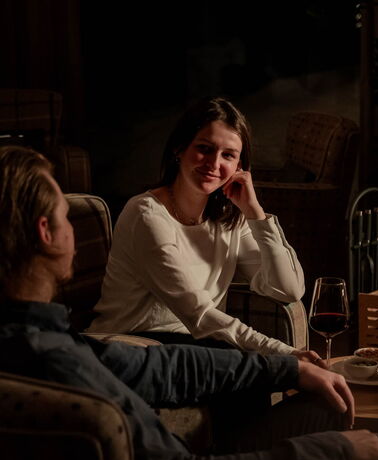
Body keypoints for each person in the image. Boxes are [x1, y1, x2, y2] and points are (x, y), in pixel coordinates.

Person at [0, 145, 378, 460]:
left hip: (184, 439)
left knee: (322, 402)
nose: (215, 162)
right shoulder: (53, 360)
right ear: (45, 232)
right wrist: (339, 452)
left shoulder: (45, 338)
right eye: (64, 217)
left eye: (229, 154)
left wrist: (286, 368)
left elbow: (161, 366)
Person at [87, 97, 311, 358]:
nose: (214, 164)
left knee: (252, 370)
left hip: (191, 346)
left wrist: (255, 213)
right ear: (179, 149)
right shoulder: (146, 215)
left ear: (239, 167)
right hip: (128, 346)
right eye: (204, 148)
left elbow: (288, 289)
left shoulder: (230, 218)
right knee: (253, 368)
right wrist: (284, 353)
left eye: (228, 155)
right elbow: (200, 314)